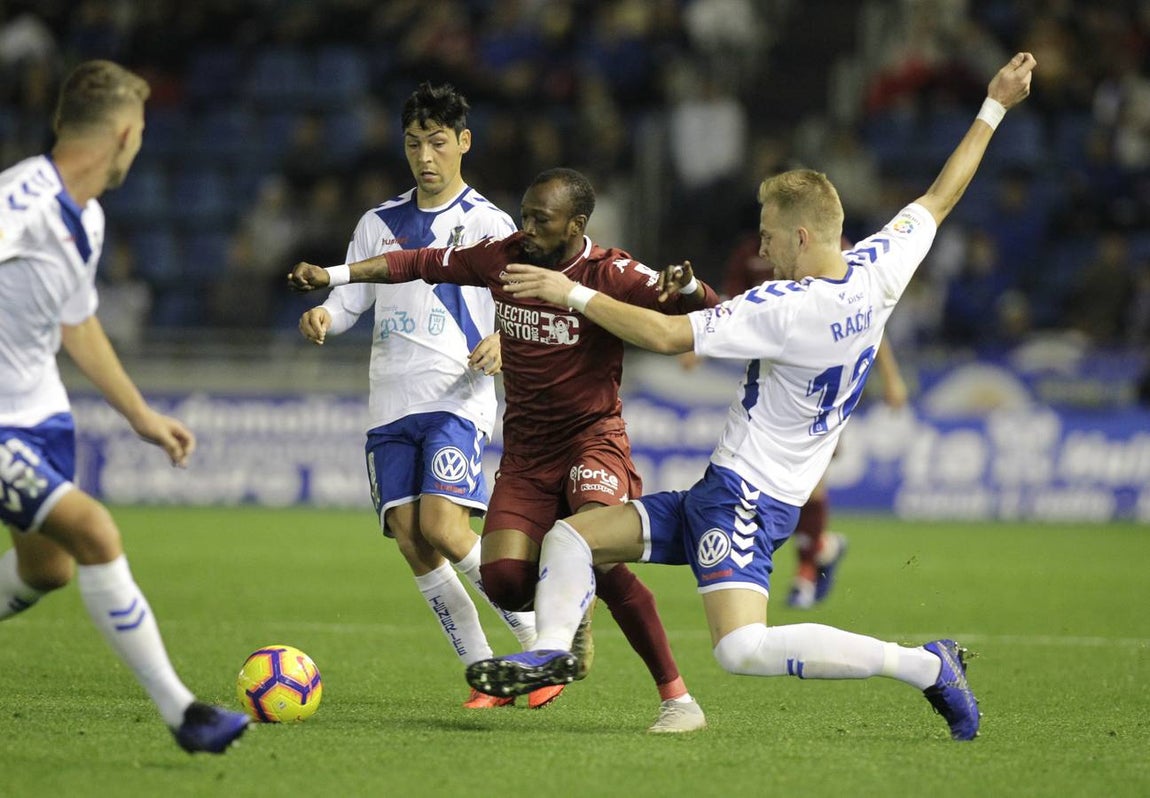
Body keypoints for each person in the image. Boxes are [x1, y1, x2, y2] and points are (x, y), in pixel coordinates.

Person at [464, 52, 1038, 741]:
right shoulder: (878, 268)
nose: (762, 249)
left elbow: (668, 334)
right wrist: (994, 106)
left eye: (768, 235)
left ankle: (924, 665)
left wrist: (572, 294)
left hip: (746, 501)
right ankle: (551, 648)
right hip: (726, 490)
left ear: (800, 235)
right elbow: (941, 195)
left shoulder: (783, 307)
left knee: (742, 649)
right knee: (573, 536)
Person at [288, 167, 721, 732]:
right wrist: (335, 274)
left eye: (541, 220)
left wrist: (686, 288)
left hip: (593, 439)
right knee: (506, 582)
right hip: (527, 454)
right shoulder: (503, 257)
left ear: (577, 224)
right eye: (525, 216)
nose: (528, 229)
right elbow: (414, 263)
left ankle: (677, 700)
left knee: (600, 549)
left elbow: (702, 310)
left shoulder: (607, 272)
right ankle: (572, 614)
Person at [0, 60, 248, 754]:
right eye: (139, 136)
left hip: (41, 413)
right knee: (95, 533)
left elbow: (77, 323)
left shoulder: (89, 217)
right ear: (123, 134)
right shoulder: (20, 201)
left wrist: (140, 414)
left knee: (46, 569)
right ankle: (185, 715)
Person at [295, 82, 560, 710]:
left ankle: (539, 648)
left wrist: (502, 339)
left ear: (463, 143)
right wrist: (326, 317)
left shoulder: (489, 223)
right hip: (390, 400)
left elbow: (520, 302)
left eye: (438, 143)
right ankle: (486, 671)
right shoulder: (377, 224)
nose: (426, 157)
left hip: (456, 394)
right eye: (415, 143)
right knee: (410, 535)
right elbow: (350, 298)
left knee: (443, 523)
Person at [718, 230, 911, 609]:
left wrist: (890, 376)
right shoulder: (751, 253)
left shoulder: (837, 254)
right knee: (781, 485)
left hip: (821, 387)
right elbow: (729, 306)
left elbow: (870, 321)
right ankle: (822, 546)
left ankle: (805, 572)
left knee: (812, 483)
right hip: (770, 388)